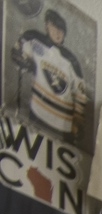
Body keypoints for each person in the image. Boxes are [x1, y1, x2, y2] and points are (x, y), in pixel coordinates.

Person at [13, 9, 87, 140]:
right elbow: (18, 52)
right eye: (55, 27)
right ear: (47, 25)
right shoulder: (34, 39)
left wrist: (77, 120)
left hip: (62, 125)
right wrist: (24, 60)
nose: (58, 33)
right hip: (36, 113)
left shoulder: (71, 60)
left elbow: (80, 95)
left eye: (61, 30)